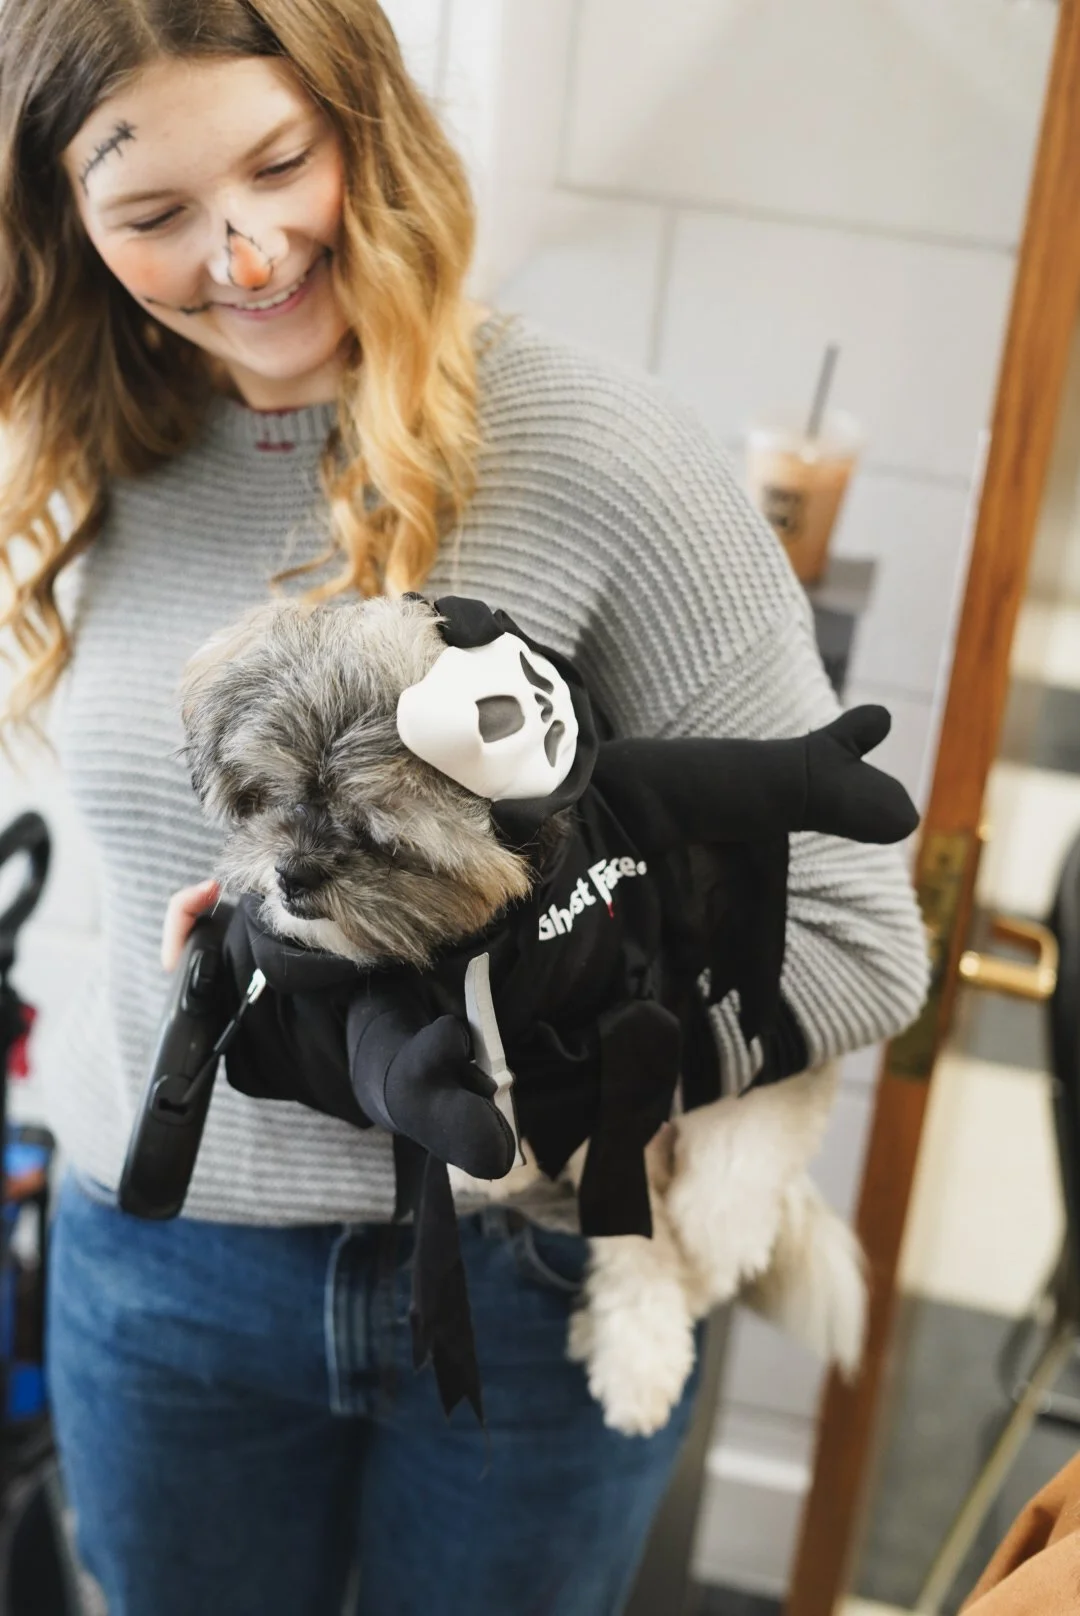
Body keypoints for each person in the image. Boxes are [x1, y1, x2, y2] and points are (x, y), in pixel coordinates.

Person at [0, 3, 930, 1614]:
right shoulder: (67, 459)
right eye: (153, 213)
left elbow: (863, 942)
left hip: (535, 1282)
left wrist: (552, 1040)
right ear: (61, 220)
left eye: (284, 161)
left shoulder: (602, 452)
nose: (246, 251)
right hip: (163, 1276)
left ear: (371, 123)